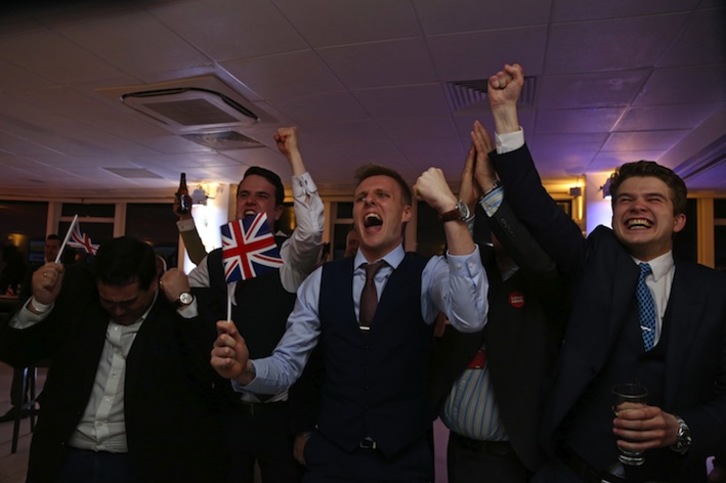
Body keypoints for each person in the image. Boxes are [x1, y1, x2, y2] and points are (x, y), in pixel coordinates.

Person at [486, 63, 726, 482]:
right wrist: (506, 114)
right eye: (626, 200)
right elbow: (536, 209)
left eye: (654, 200)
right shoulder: (594, 259)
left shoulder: (715, 291)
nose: (637, 207)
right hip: (575, 468)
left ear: (680, 220)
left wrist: (681, 429)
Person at [211, 163, 489, 482]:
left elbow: (471, 317)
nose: (369, 202)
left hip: (404, 460)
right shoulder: (321, 281)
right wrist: (246, 370)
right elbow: (288, 365)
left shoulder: (428, 273)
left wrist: (450, 212)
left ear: (407, 213)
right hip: (332, 458)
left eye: (382, 195)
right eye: (361, 198)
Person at [0, 236, 225, 483]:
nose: (118, 310)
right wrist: (39, 305)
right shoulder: (79, 299)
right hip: (65, 457)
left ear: (153, 284)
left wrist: (185, 302)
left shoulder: (171, 313)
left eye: (129, 302)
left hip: (139, 463)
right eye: (108, 301)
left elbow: (209, 375)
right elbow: (16, 353)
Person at [186, 126, 324, 483]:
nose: (250, 201)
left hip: (279, 414)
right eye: (244, 195)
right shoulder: (217, 261)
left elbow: (310, 233)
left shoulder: (288, 257)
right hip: (227, 410)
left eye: (261, 197)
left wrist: (293, 153)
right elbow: (186, 295)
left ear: (277, 211)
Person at [431, 124, 567, 482]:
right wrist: (466, 206)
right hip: (458, 450)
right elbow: (459, 265)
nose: (498, 221)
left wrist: (492, 190)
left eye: (508, 213)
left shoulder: (548, 278)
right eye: (497, 215)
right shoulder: (481, 267)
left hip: (512, 459)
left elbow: (537, 263)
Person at [0, 234, 65, 424]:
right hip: (35, 325)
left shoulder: (67, 272)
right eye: (47, 247)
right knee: (21, 353)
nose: (49, 250)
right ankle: (17, 403)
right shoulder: (33, 269)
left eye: (54, 247)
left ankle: (49, 404)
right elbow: (24, 299)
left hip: (55, 331)